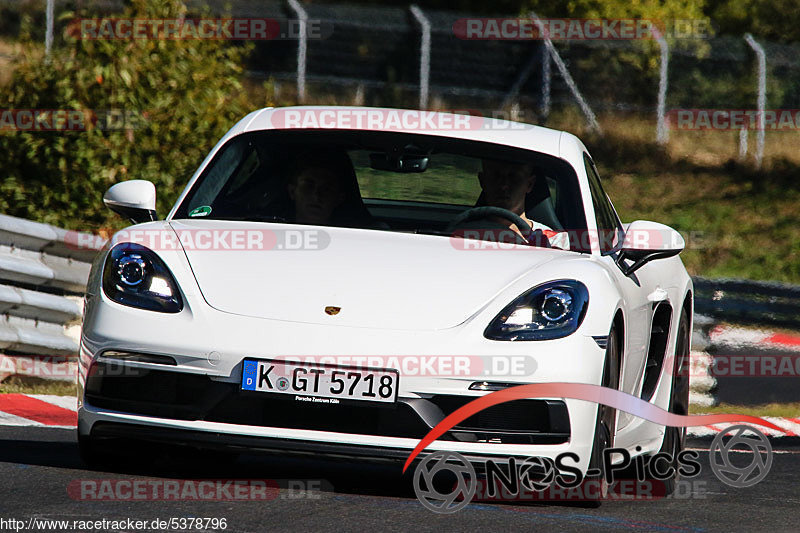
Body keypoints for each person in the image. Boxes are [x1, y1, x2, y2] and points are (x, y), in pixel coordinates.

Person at [468, 158, 569, 249]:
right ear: (482, 181)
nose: (504, 186)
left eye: (513, 177)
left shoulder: (556, 242)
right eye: (496, 176)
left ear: (529, 184)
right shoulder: (460, 234)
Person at [286, 149, 380, 228]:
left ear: (339, 198)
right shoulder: (273, 230)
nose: (316, 196)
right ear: (292, 191)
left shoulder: (359, 238)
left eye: (326, 189)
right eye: (308, 186)